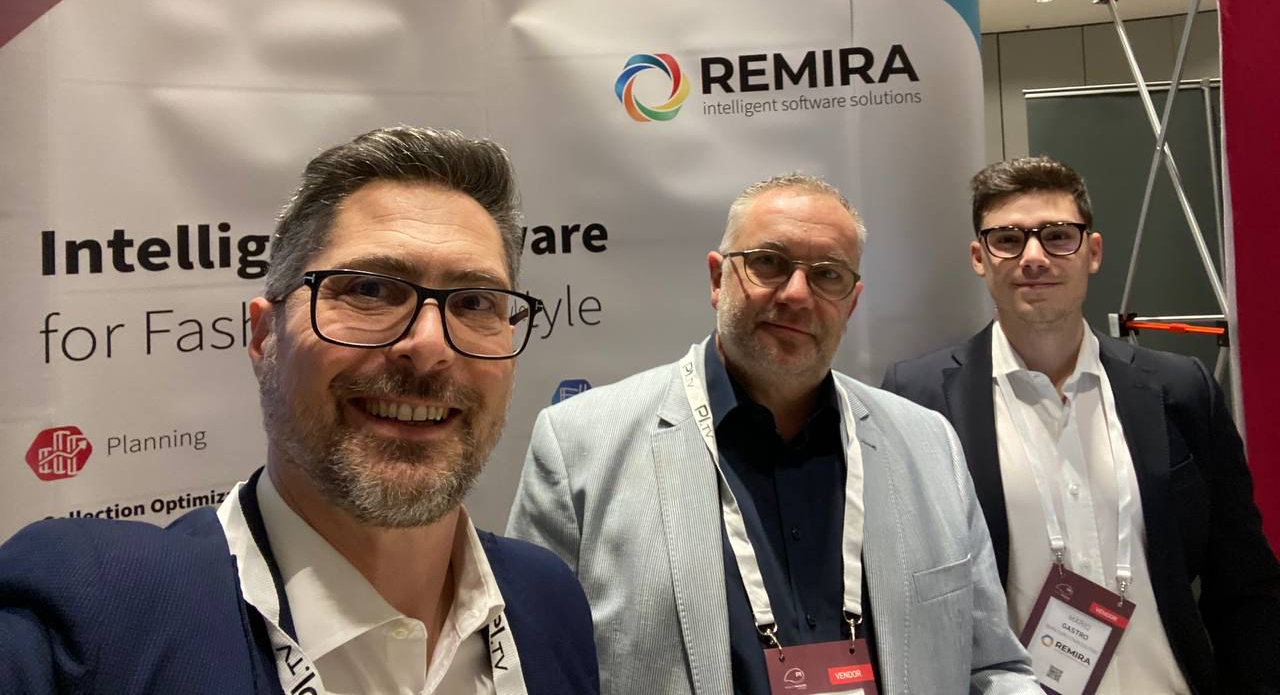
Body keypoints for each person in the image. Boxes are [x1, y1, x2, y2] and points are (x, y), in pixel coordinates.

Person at [0, 126, 599, 695]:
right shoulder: (89, 618)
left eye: (474, 303)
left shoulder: (548, 601)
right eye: (369, 289)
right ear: (265, 338)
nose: (429, 347)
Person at [507, 173, 1038, 695]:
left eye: (827, 274)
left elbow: (991, 666)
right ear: (718, 279)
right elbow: (531, 676)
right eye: (768, 263)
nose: (797, 293)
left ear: (851, 303)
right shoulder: (580, 447)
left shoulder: (930, 446)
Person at [882, 155, 1280, 695]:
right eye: (1008, 240)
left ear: (1092, 252)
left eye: (1057, 236)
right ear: (979, 257)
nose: (1033, 257)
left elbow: (1244, 585)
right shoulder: (920, 399)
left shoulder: (1180, 390)